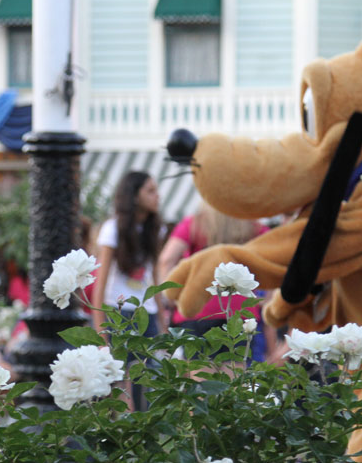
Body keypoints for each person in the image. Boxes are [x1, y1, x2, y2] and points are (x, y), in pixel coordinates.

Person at [91, 171, 165, 411]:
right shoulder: (113, 229)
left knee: (148, 382)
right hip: (118, 313)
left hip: (148, 315)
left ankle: (144, 438)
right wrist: (101, 335)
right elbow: (99, 287)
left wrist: (163, 322)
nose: (157, 196)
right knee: (119, 385)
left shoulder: (155, 230)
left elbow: (155, 280)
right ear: (134, 196)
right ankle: (125, 437)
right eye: (150, 191)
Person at [157, 202, 266, 357]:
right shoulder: (252, 227)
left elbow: (166, 260)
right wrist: (265, 301)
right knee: (233, 375)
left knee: (200, 375)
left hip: (197, 309)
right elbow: (275, 263)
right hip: (239, 312)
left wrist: (172, 297)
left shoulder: (194, 224)